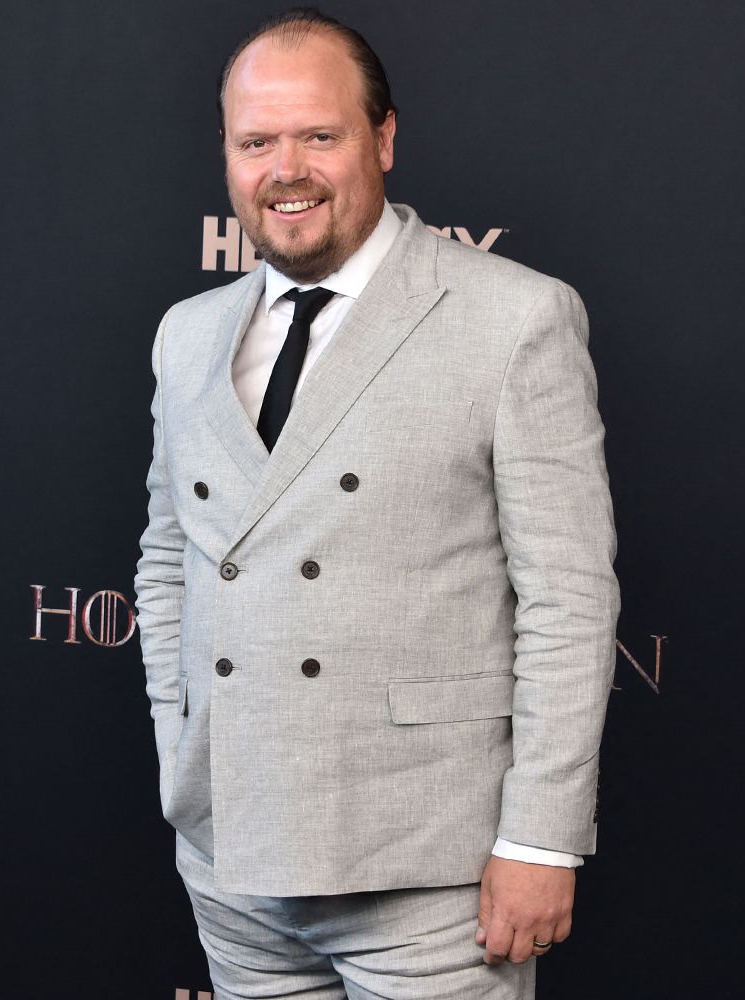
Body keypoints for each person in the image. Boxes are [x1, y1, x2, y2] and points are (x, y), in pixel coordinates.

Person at [134, 8, 619, 998]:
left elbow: (567, 600)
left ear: (384, 139)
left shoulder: (514, 317)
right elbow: (171, 554)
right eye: (255, 141)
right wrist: (180, 742)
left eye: (320, 134)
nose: (286, 169)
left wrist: (542, 838)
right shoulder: (188, 334)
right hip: (233, 851)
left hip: (428, 873)